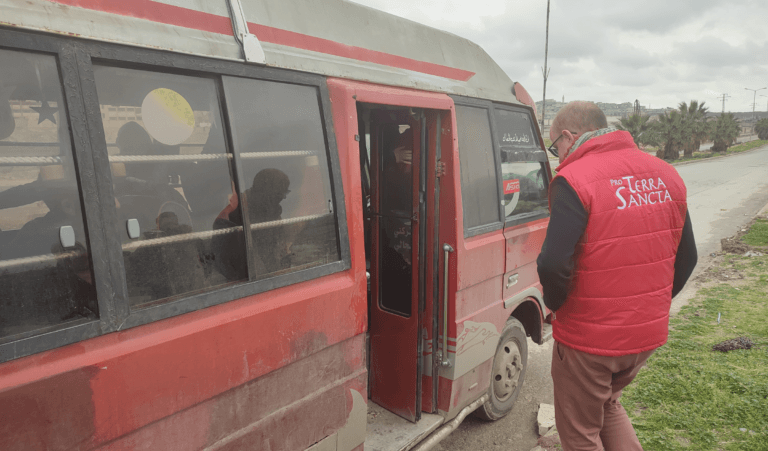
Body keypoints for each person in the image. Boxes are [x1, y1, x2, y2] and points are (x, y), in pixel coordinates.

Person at [537, 101, 697, 451]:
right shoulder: (666, 173)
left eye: (555, 147)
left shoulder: (574, 179)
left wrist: (558, 309)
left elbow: (552, 263)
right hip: (644, 335)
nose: (557, 155)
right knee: (608, 404)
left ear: (569, 136)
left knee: (579, 434)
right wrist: (647, 307)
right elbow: (687, 259)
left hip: (589, 339)